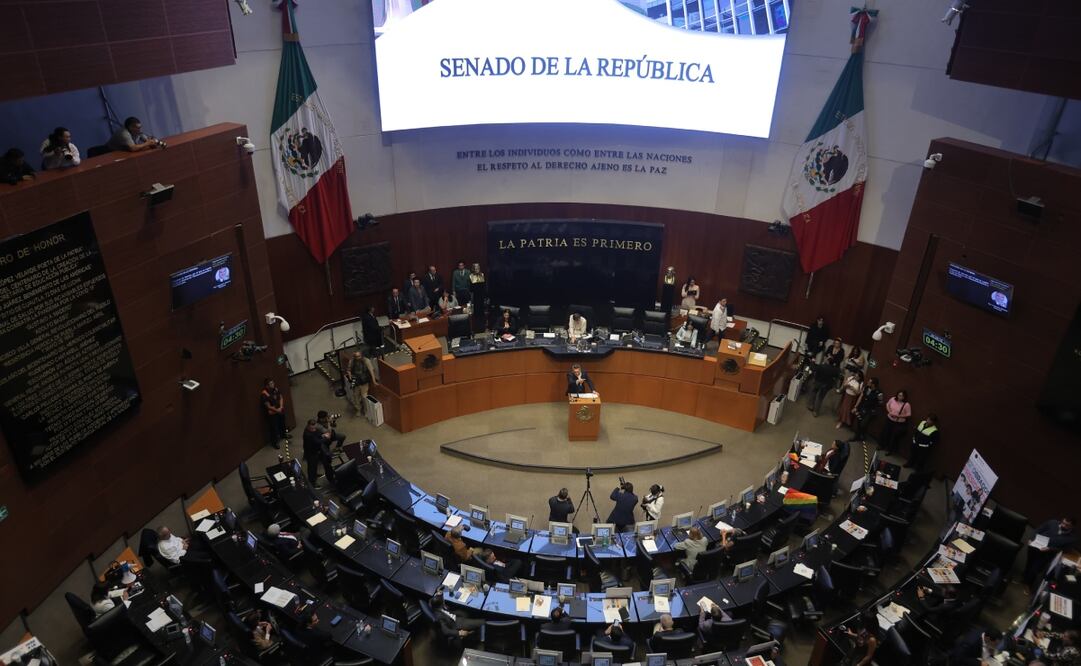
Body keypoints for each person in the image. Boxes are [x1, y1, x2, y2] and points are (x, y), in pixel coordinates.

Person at [1024, 517, 1076, 587]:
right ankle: (1023, 580)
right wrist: (1031, 539)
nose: (1063, 525)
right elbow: (1038, 529)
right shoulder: (1052, 522)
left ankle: (1027, 585)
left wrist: (1050, 548)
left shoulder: (1071, 538)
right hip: (1034, 547)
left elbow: (1064, 550)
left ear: (1072, 526)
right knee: (1028, 564)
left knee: (1035, 569)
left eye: (1066, 525)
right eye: (1063, 523)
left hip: (1047, 554)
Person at [302, 419, 335, 486]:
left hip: (316, 450)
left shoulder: (313, 429)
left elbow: (317, 433)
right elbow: (318, 442)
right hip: (310, 452)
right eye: (312, 428)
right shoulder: (308, 434)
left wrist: (322, 435)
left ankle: (314, 475)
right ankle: (312, 482)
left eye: (314, 428)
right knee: (312, 467)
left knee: (315, 465)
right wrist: (326, 437)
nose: (314, 429)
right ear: (308, 426)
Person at [343, 351, 376, 415]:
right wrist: (350, 376)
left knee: (364, 397)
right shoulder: (352, 361)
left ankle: (366, 410)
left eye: (359, 356)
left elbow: (371, 370)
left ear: (361, 355)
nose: (357, 358)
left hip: (364, 381)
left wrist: (374, 380)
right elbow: (349, 369)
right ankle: (358, 409)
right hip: (356, 382)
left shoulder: (366, 360)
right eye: (356, 356)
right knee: (356, 396)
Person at [851, 376, 883, 442]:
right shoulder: (866, 388)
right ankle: (857, 436)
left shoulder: (879, 393)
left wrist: (874, 409)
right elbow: (861, 396)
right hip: (862, 407)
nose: (868, 383)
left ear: (873, 384)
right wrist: (855, 406)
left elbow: (881, 403)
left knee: (864, 423)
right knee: (859, 422)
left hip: (870, 410)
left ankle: (862, 435)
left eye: (869, 382)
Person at [880, 389, 912, 454]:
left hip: (898, 423)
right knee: (886, 433)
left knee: (893, 437)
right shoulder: (893, 399)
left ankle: (890, 450)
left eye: (902, 396)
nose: (900, 397)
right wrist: (890, 412)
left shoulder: (906, 404)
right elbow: (887, 404)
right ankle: (882, 446)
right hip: (889, 420)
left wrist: (898, 416)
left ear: (904, 397)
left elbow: (909, 414)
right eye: (899, 395)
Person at [260, 378, 288, 449]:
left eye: (273, 383)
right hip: (272, 413)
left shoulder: (275, 389)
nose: (273, 384)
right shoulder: (264, 394)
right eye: (271, 384)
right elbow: (268, 406)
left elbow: (281, 397)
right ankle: (275, 442)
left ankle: (283, 435)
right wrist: (277, 410)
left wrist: (281, 407)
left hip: (280, 410)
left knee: (282, 423)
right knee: (274, 428)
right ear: (267, 386)